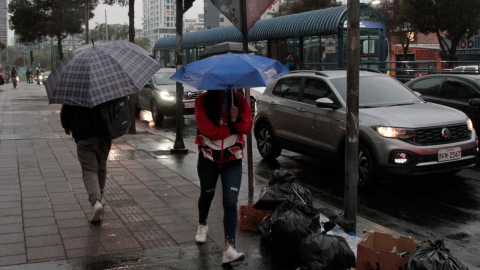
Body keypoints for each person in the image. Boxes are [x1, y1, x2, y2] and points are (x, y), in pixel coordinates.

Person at [194, 89, 253, 264]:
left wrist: (237, 118)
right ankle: (202, 224)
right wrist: (229, 129)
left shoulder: (239, 101)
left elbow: (247, 127)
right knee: (207, 193)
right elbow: (206, 129)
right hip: (208, 159)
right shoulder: (201, 101)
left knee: (230, 201)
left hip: (232, 160)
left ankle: (229, 248)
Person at [60, 104, 111, 222]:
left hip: (84, 136)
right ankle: (100, 197)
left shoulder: (73, 90)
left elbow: (66, 114)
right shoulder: (105, 88)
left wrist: (67, 126)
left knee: (89, 170)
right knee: (101, 166)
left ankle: (96, 201)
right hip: (105, 134)